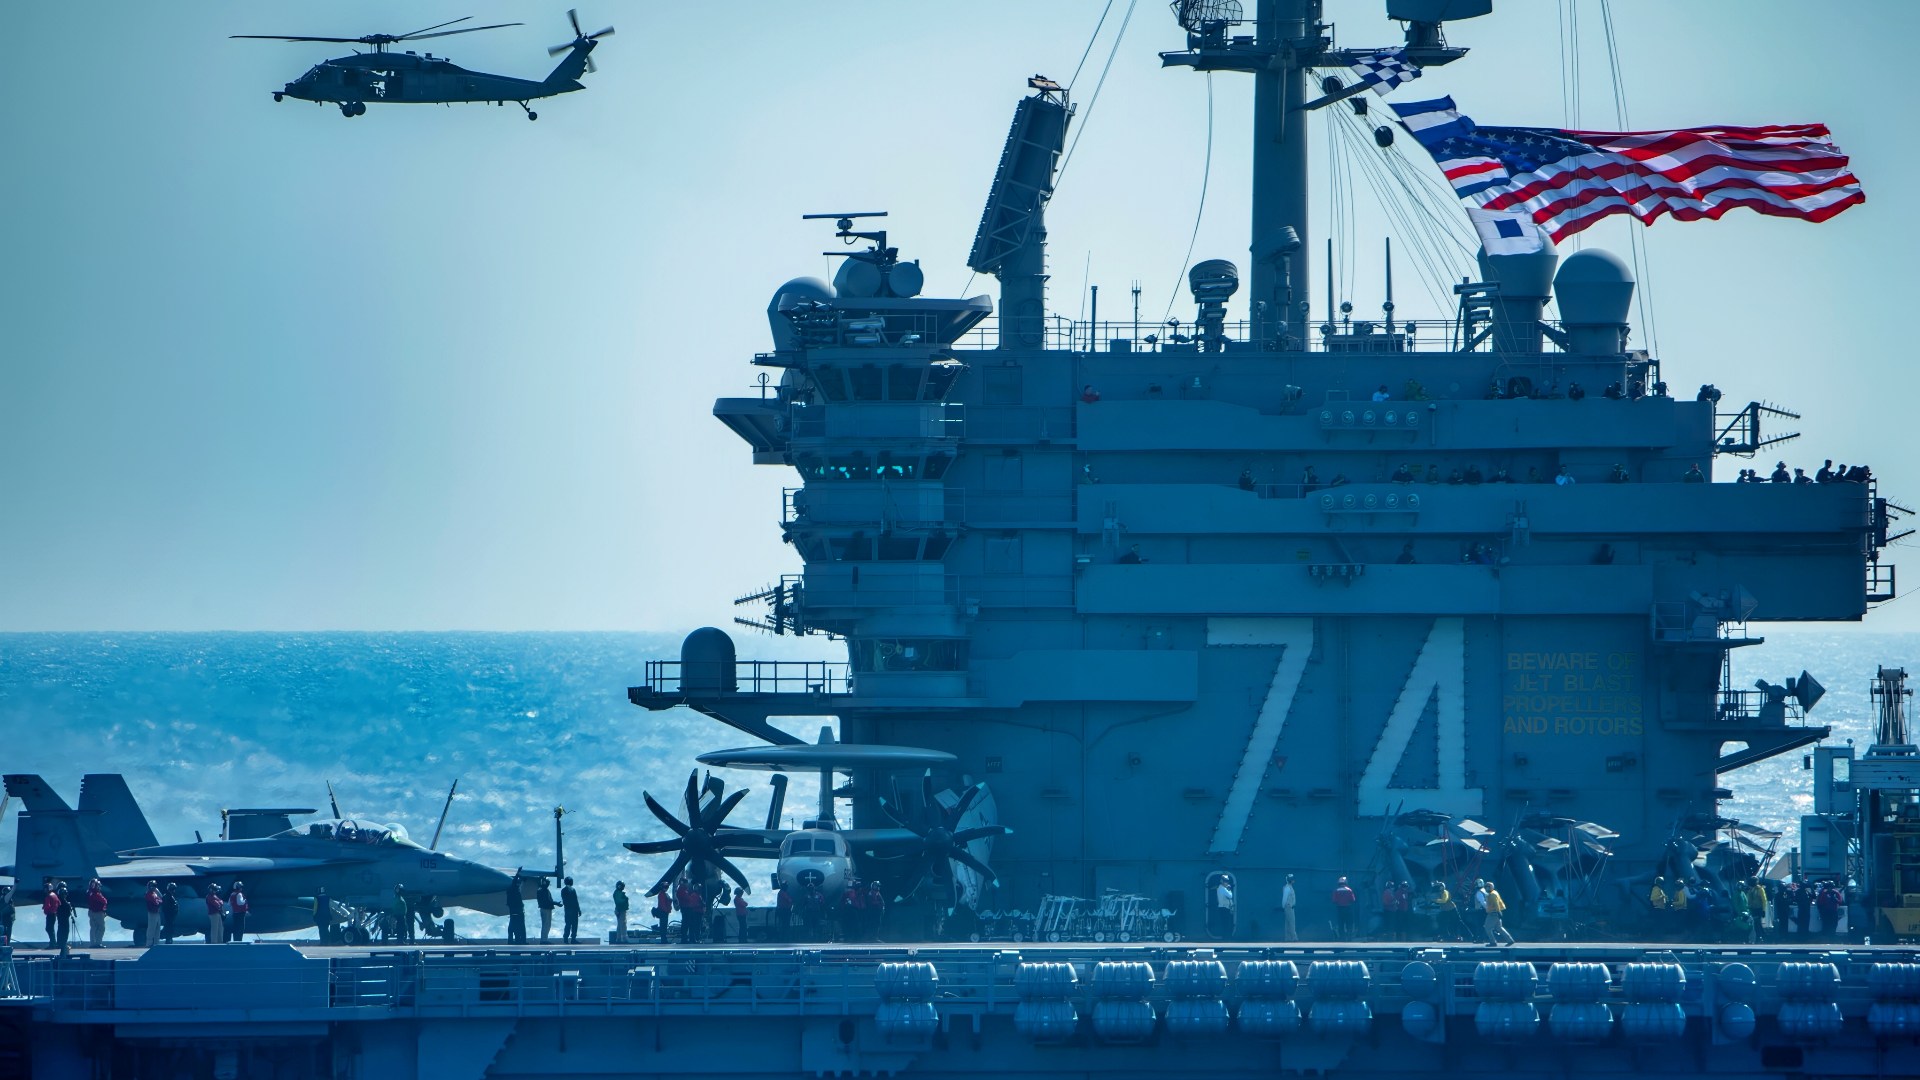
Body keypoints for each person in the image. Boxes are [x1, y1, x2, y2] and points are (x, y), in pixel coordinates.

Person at [1331, 876, 1356, 940]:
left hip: (1340, 909)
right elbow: (1353, 900)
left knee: (1341, 924)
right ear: (1346, 882)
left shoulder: (1336, 890)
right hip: (1348, 909)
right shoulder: (1349, 890)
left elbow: (1334, 900)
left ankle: (1342, 938)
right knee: (1349, 923)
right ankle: (1349, 937)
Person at [86, 878, 109, 948]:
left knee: (93, 928)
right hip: (98, 913)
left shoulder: (89, 892)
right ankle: (98, 943)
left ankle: (93, 943)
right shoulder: (95, 894)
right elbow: (104, 901)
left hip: (92, 912)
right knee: (101, 928)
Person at [561, 876, 581, 945]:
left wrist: (578, 909)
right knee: (568, 924)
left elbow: (576, 900)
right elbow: (565, 900)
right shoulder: (564, 890)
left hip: (574, 910)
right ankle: (566, 939)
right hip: (568, 910)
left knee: (574, 925)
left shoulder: (573, 889)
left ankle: (573, 939)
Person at [536, 878, 556, 944]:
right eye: (547, 883)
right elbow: (548, 901)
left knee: (546, 924)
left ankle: (544, 939)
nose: (548, 884)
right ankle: (544, 940)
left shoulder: (541, 890)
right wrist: (556, 903)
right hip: (545, 909)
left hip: (545, 908)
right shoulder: (543, 891)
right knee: (546, 924)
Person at [142, 881, 162, 947]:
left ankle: (156, 943)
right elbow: (156, 902)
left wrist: (158, 895)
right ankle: (149, 943)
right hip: (152, 913)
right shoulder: (148, 894)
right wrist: (158, 901)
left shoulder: (154, 893)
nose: (154, 887)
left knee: (157, 929)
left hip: (157, 912)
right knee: (151, 929)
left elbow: (161, 900)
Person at [42, 881, 61, 946]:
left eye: (45, 888)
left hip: (50, 914)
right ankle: (53, 942)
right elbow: (59, 903)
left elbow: (47, 906)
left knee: (49, 928)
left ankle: (52, 943)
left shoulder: (48, 896)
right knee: (51, 928)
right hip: (54, 914)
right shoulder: (55, 895)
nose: (44, 890)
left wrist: (45, 909)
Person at [1281, 874, 1299, 942]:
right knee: (1291, 922)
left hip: (1290, 907)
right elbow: (1284, 898)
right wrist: (1283, 906)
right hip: (1288, 907)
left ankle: (1288, 938)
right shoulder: (1287, 888)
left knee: (1288, 923)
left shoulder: (1289, 887)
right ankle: (1294, 938)